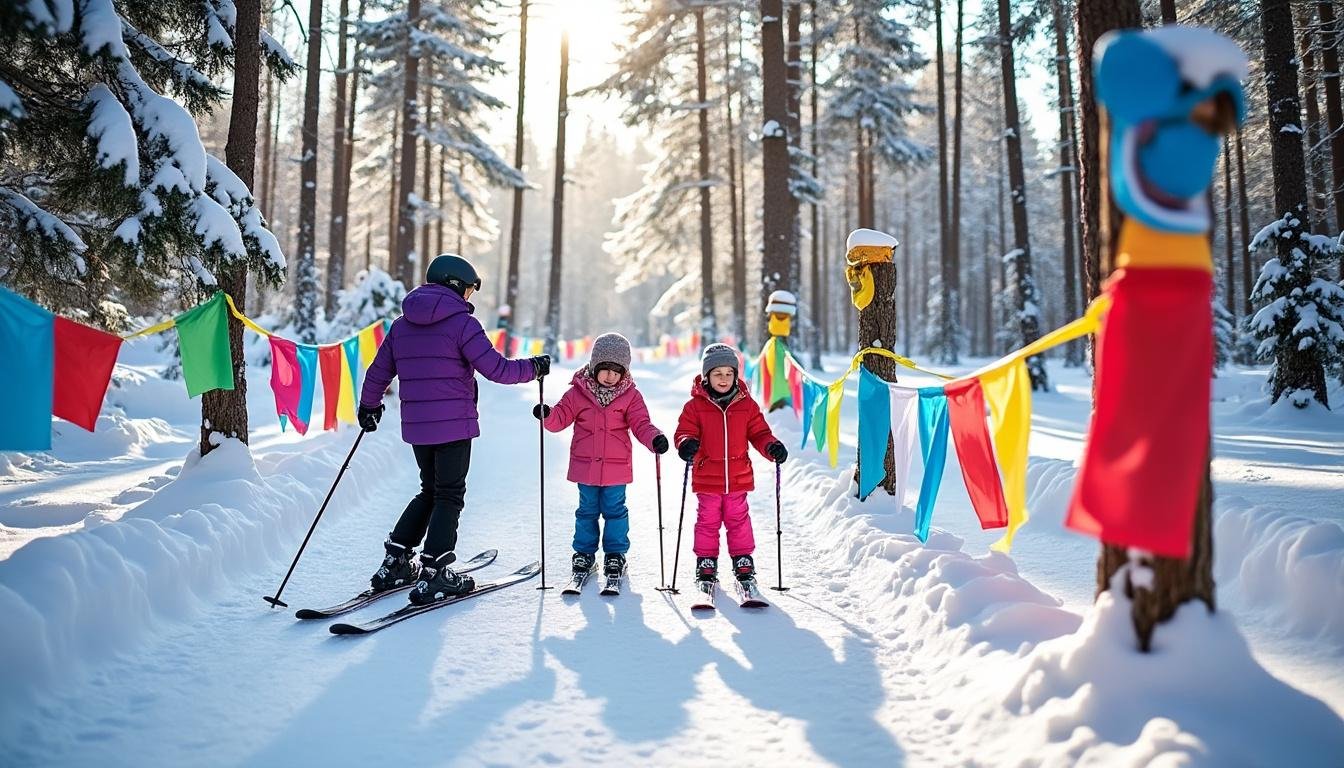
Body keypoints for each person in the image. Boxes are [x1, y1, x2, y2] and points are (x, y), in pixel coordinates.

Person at [357, 253, 549, 605]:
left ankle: (396, 560)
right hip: (454, 426)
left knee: (429, 490)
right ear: (456, 285)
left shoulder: (402, 326)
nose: (469, 299)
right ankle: (435, 571)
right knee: (449, 494)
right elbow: (498, 370)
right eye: (469, 291)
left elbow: (378, 372)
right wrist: (534, 368)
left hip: (417, 428)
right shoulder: (462, 324)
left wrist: (368, 406)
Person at [533, 333, 669, 580]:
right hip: (585, 467)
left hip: (616, 469)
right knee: (586, 511)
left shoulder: (631, 397)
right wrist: (548, 415)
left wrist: (654, 439)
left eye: (616, 371)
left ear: (624, 372)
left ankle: (615, 554)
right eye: (605, 369)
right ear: (594, 366)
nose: (610, 376)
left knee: (615, 511)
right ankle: (584, 554)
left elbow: (641, 424)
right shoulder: (577, 393)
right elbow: (560, 418)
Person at [673, 343, 787, 585]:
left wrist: (771, 447)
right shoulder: (694, 407)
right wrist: (686, 443)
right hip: (707, 478)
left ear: (736, 375)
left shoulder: (746, 405)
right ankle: (706, 561)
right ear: (706, 376)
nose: (723, 379)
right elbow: (684, 431)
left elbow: (759, 433)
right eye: (717, 374)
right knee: (707, 521)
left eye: (729, 373)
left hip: (738, 477)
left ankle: (743, 560)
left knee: (739, 520)